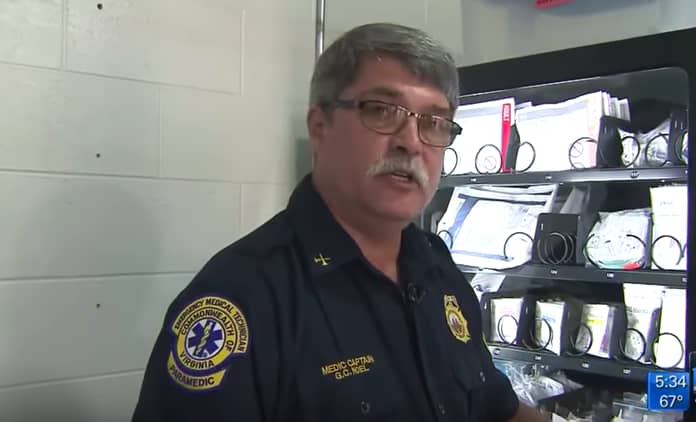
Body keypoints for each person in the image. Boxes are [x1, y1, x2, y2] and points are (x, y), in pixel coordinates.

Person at [131, 22, 549, 422]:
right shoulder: (241, 297)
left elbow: (497, 410)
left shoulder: (438, 269)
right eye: (383, 111)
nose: (410, 141)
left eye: (434, 122)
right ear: (319, 127)